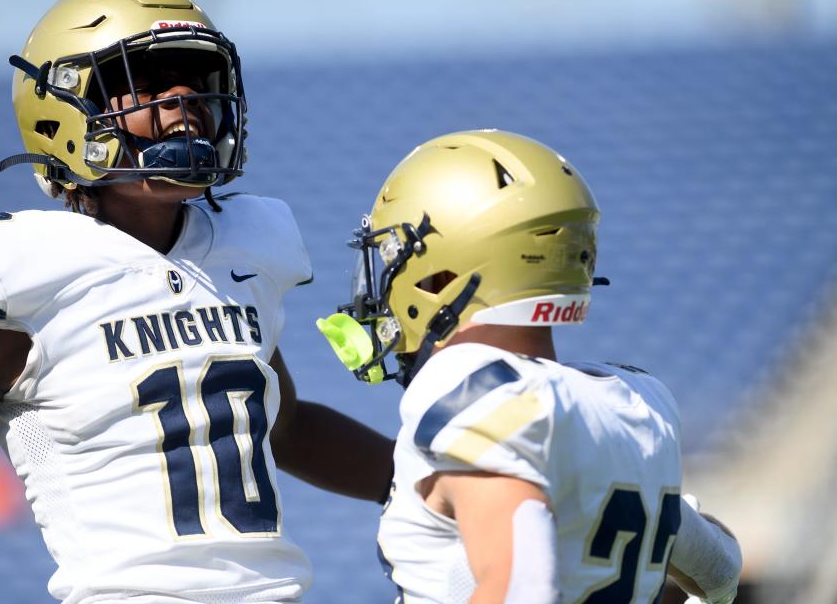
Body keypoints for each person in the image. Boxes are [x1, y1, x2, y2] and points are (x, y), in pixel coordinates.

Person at [0, 0, 393, 604]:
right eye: (148, 84)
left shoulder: (244, 247)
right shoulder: (23, 280)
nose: (184, 102)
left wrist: (431, 482)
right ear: (64, 110)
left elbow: (282, 428)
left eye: (194, 83)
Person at [317, 130, 742, 603]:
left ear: (439, 274)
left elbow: (522, 588)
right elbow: (720, 570)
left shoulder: (473, 392)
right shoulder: (632, 397)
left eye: (392, 258)